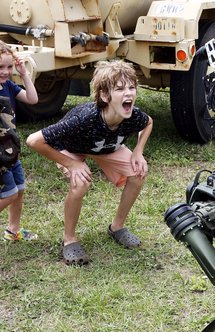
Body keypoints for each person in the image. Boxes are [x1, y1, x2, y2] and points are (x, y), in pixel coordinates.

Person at [26, 60, 153, 265]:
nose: (128, 93)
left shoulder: (133, 115)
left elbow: (148, 123)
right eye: (120, 89)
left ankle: (117, 227)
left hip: (106, 147)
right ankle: (69, 240)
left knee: (138, 173)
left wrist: (138, 151)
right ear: (104, 96)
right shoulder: (84, 119)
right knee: (80, 183)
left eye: (131, 87)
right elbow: (33, 141)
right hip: (72, 149)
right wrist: (71, 164)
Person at [0, 40, 39, 249]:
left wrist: (24, 74)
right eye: (0, 67)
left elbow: (32, 99)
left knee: (19, 190)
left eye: (9, 67)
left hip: (10, 149)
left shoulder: (8, 85)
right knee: (8, 194)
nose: (6, 71)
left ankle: (13, 230)